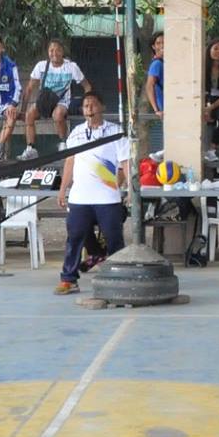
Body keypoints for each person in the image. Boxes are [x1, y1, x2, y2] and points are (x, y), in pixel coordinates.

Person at [56, 88, 129, 296]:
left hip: (107, 197)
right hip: (80, 196)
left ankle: (119, 276)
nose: (89, 109)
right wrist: (63, 189)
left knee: (114, 238)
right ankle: (68, 279)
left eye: (93, 104)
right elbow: (70, 161)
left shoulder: (115, 132)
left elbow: (125, 163)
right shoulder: (76, 133)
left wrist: (124, 186)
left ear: (102, 107)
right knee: (74, 237)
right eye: (86, 105)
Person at [25, 39, 86, 146]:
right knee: (29, 115)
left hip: (62, 102)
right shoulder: (41, 66)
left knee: (57, 115)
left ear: (63, 51)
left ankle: (64, 143)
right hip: (45, 101)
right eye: (51, 50)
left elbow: (87, 86)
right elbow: (29, 88)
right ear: (48, 52)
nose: (54, 53)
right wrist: (23, 109)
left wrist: (87, 104)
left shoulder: (71, 67)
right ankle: (30, 148)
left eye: (58, 50)